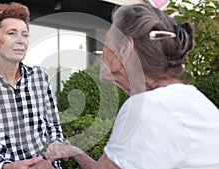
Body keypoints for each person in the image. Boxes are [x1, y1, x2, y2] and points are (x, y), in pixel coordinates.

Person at [44, 3, 219, 169]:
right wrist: (76, 152)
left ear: (125, 48)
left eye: (107, 41)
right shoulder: (182, 100)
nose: (102, 52)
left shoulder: (151, 109)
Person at [0, 2, 64, 169]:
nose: (20, 41)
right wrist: (8, 166)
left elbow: (53, 126)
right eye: (12, 33)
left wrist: (55, 148)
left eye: (24, 35)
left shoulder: (40, 77)